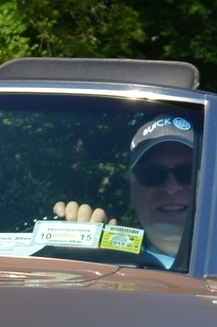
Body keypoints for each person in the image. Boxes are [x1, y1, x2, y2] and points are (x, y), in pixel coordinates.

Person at [52, 115, 197, 269]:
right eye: (152, 174)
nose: (171, 187)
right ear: (132, 191)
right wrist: (75, 261)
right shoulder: (110, 266)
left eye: (188, 172)